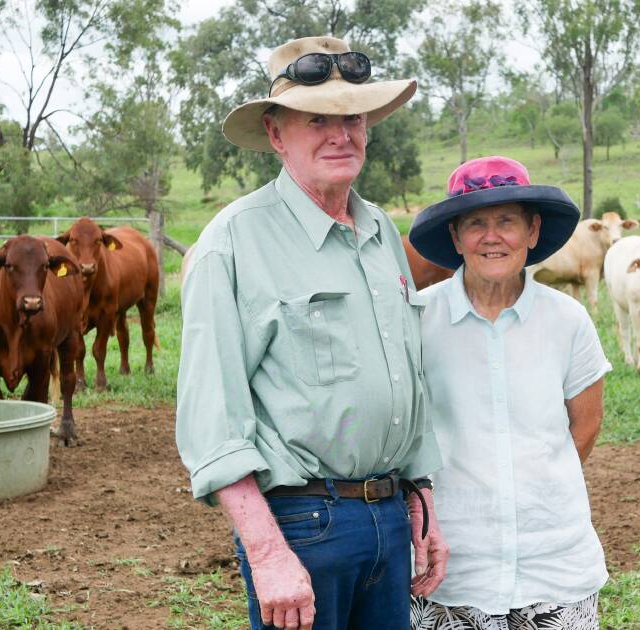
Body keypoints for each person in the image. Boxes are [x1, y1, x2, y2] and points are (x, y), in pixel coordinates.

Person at [176, 36, 448, 630]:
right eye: (317, 120)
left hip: (390, 515)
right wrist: (268, 554)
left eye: (352, 118)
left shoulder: (379, 230)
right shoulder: (232, 244)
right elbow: (212, 421)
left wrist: (421, 502)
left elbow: (408, 374)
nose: (340, 134)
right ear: (276, 134)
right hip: (303, 524)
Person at [406, 156, 610, 629]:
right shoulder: (417, 319)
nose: (491, 236)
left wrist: (529, 486)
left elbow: (586, 423)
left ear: (533, 231)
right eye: (475, 223)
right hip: (451, 565)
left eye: (506, 222)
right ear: (455, 238)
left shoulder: (568, 320)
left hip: (554, 562)